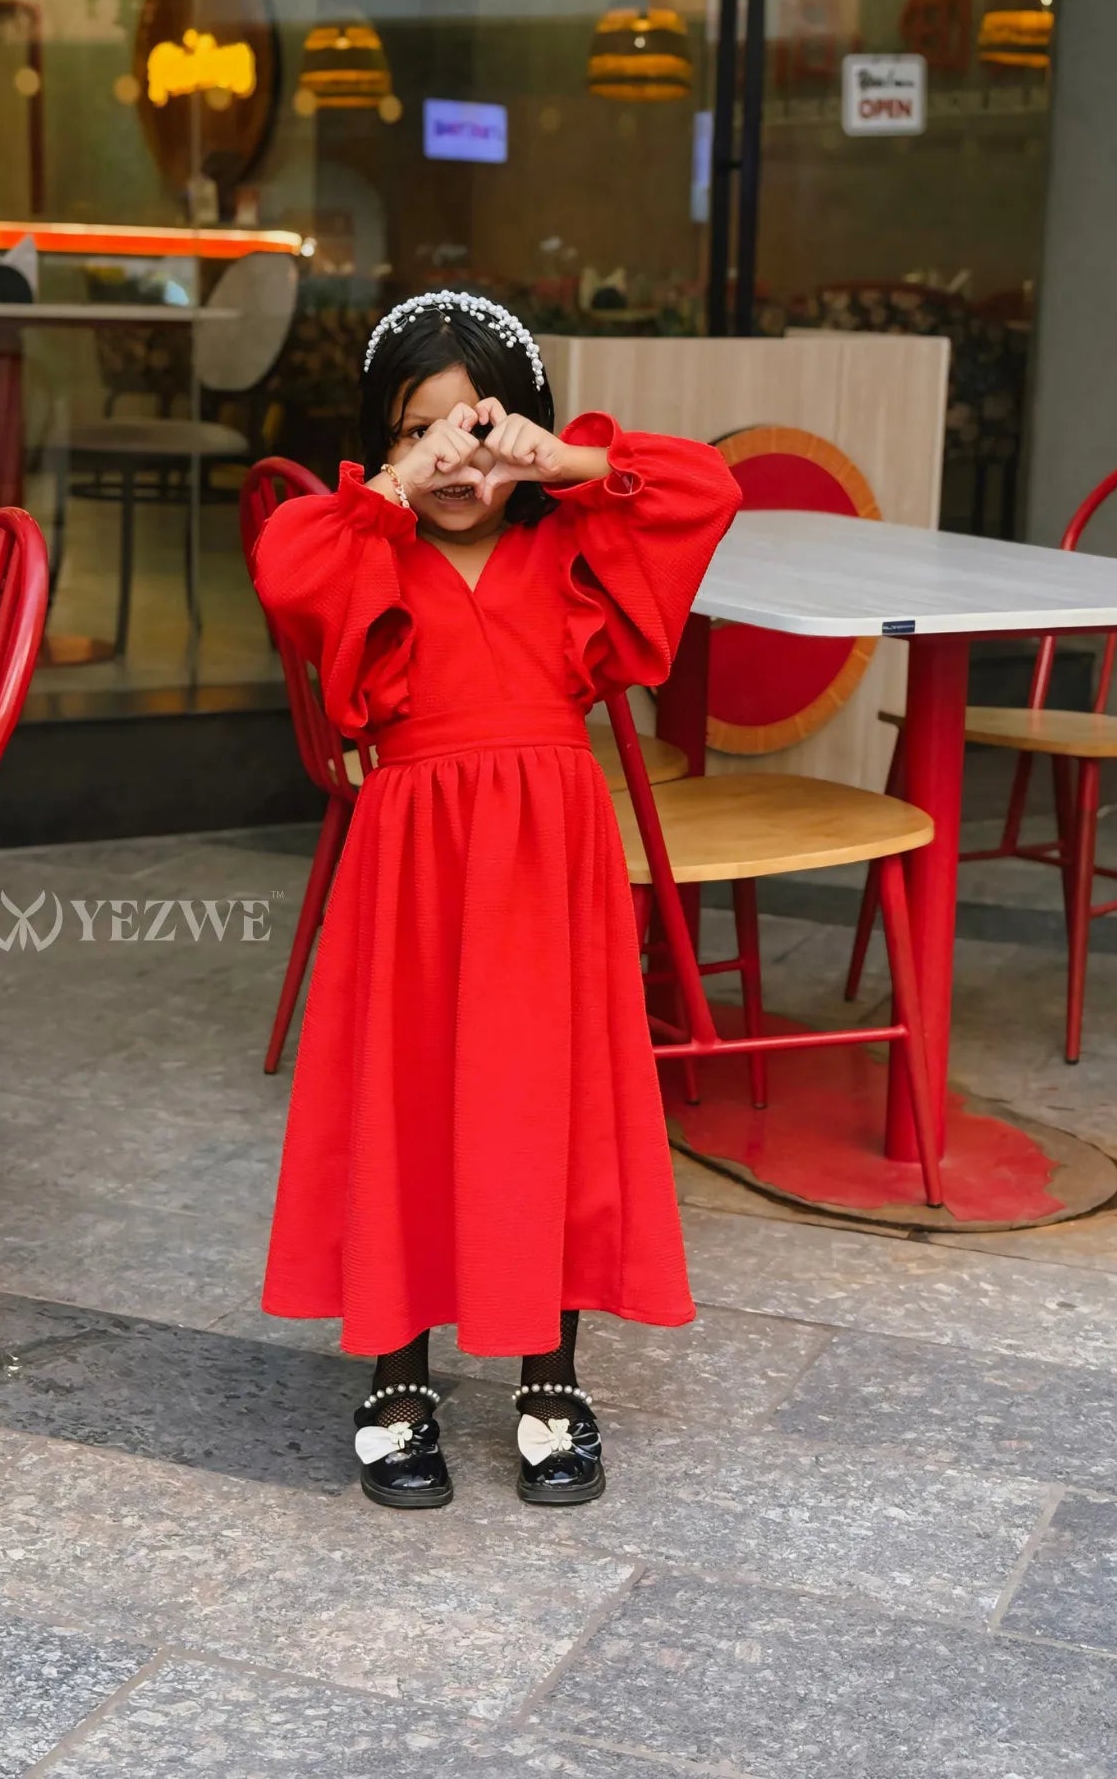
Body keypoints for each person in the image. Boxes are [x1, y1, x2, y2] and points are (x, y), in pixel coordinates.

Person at [251, 290, 740, 1509]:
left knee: (549, 1101)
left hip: (547, 871)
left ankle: (549, 1375)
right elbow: (287, 559)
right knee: (404, 1097)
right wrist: (393, 485)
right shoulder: (364, 544)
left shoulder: (571, 547)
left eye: (478, 427)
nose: (458, 461)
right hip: (411, 870)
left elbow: (704, 492)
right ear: (383, 443)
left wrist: (565, 458)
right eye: (423, 434)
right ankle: (396, 1373)